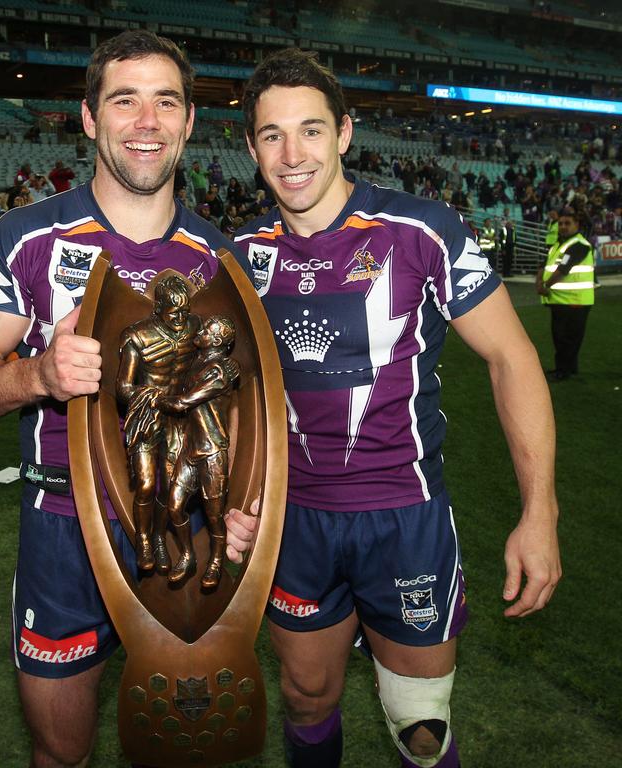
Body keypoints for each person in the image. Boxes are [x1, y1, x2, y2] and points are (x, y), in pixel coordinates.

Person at [227, 49, 560, 768]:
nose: (293, 154)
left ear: (345, 133)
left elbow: (512, 358)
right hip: (294, 524)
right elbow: (233, 397)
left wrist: (540, 513)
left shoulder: (423, 230)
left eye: (311, 130)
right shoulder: (242, 255)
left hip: (404, 519)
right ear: (250, 147)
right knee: (305, 697)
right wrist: (236, 497)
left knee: (420, 723)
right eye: (272, 135)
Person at [0, 30, 232, 768]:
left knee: (180, 744)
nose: (147, 121)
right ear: (87, 117)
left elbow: (246, 408)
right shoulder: (26, 236)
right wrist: (39, 374)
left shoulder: (220, 257)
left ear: (189, 121)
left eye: (165, 101)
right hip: (61, 531)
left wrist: (245, 503)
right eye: (124, 100)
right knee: (61, 751)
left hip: (184, 530)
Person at [116, 275, 200, 578]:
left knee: (173, 485)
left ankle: (161, 538)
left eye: (184, 311)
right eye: (173, 312)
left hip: (179, 419)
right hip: (148, 417)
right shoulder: (137, 337)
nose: (180, 318)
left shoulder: (195, 327)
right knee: (147, 484)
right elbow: (123, 387)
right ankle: (144, 539)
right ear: (158, 309)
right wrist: (154, 396)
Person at [158, 314, 239, 589]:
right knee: (175, 505)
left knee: (214, 515)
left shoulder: (219, 371)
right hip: (191, 448)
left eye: (207, 329)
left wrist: (152, 398)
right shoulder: (198, 361)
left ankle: (216, 561)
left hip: (213, 451)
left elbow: (184, 402)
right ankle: (188, 555)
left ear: (217, 341)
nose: (201, 329)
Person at [536, 210, 594, 381]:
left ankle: (562, 371)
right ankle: (569, 367)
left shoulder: (579, 245)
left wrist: (545, 285)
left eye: (567, 223)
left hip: (574, 300)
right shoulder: (558, 245)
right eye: (560, 223)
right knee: (563, 336)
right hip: (561, 300)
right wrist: (539, 282)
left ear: (577, 225)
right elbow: (544, 264)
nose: (563, 226)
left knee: (566, 338)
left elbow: (563, 270)